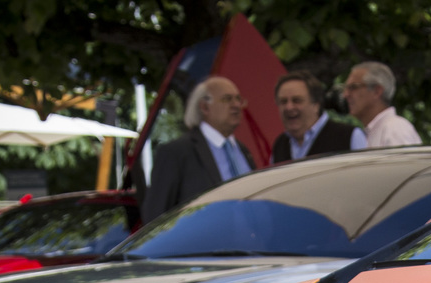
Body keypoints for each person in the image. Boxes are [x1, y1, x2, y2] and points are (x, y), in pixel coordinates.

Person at [142, 76, 256, 222]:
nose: (236, 105)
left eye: (238, 99)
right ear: (204, 107)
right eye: (227, 99)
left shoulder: (242, 150)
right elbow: (155, 218)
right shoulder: (176, 152)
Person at [272, 72, 365, 163]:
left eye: (297, 100)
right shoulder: (279, 145)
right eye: (283, 102)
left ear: (316, 105)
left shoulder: (349, 136)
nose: (289, 107)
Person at [343, 62, 422, 148]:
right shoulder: (379, 130)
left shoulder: (394, 128)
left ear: (377, 91)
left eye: (353, 87)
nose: (346, 94)